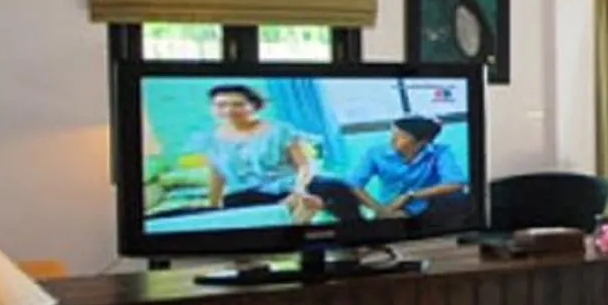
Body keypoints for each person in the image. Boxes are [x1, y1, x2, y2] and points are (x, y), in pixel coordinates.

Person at [189, 83, 365, 224]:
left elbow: (304, 165)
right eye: (222, 105)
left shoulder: (279, 130)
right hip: (246, 192)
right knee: (239, 212)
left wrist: (298, 191)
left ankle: (358, 237)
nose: (229, 110)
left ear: (254, 106)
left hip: (288, 184)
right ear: (213, 109)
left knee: (336, 187)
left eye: (238, 104)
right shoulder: (210, 139)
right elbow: (217, 174)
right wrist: (213, 206)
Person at [354, 114, 471, 227]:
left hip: (429, 210)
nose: (393, 139)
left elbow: (456, 183)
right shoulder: (376, 153)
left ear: (422, 142)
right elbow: (353, 185)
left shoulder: (440, 152)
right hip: (391, 209)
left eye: (402, 136)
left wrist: (410, 196)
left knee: (460, 199)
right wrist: (380, 210)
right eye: (394, 133)